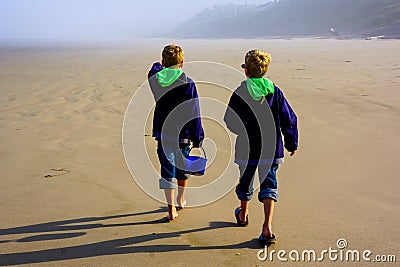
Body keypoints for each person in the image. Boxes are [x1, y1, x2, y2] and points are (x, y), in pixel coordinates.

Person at [224, 49, 298, 245]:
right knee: (269, 185)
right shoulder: (275, 91)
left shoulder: (240, 91)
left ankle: (243, 213)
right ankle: (267, 226)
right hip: (271, 148)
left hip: (247, 149)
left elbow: (229, 119)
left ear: (246, 70)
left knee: (245, 181)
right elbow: (289, 119)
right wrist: (291, 142)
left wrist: (243, 129)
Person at [148, 44, 204, 221]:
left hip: (164, 133)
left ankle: (171, 209)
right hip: (184, 134)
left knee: (167, 169)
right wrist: (198, 137)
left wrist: (161, 64)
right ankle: (181, 199)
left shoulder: (156, 79)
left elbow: (153, 68)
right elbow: (194, 112)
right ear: (182, 63)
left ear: (164, 62)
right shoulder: (188, 83)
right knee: (182, 167)